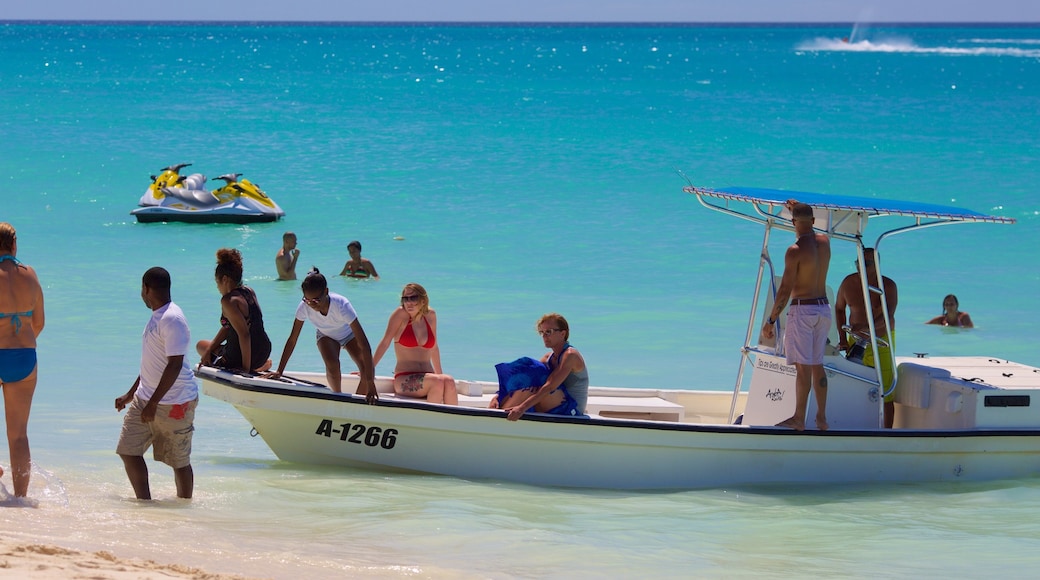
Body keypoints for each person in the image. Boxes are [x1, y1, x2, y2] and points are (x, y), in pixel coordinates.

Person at [115, 267, 199, 500]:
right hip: (146, 398)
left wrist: (154, 403)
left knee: (179, 461)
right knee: (128, 451)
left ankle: (184, 507)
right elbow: (152, 363)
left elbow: (174, 365)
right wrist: (131, 394)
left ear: (146, 289)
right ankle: (145, 503)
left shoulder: (172, 319)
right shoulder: (158, 316)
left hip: (175, 402)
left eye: (142, 289)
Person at [761, 200, 832, 431]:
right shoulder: (825, 243)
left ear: (792, 223)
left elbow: (785, 289)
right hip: (823, 309)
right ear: (813, 221)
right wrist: (798, 209)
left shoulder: (794, 251)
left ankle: (799, 418)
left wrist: (771, 320)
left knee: (802, 367)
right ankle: (821, 418)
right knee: (817, 365)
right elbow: (808, 227)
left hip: (803, 310)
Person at [266, 268, 378, 402]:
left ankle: (359, 402)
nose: (312, 304)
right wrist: (279, 371)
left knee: (367, 368)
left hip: (348, 335)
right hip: (326, 335)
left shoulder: (342, 305)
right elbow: (292, 340)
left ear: (326, 291)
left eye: (316, 300)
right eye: (307, 300)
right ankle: (338, 398)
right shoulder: (304, 307)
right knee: (332, 365)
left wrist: (371, 384)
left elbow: (364, 345)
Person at [0, 223, 45, 498]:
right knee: (18, 435)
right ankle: (20, 499)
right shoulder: (31, 275)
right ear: (14, 244)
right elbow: (38, 323)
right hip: (25, 357)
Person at [835, 248, 898, 428]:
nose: (861, 266)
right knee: (854, 386)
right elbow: (839, 308)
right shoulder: (848, 283)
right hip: (855, 341)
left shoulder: (888, 286)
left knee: (886, 392)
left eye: (867, 263)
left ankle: (886, 434)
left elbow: (888, 316)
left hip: (882, 340)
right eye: (858, 262)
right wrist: (842, 338)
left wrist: (865, 328)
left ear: (877, 265)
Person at [372, 283, 458, 405]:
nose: (409, 303)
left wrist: (440, 374)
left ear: (423, 301)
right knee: (437, 382)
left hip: (428, 377)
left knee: (448, 381)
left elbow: (434, 347)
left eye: (413, 298)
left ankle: (451, 422)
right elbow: (385, 342)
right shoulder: (400, 314)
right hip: (404, 378)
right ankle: (429, 422)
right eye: (405, 299)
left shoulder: (431, 315)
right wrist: (369, 369)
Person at [493, 313, 589, 420]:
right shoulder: (548, 358)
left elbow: (550, 387)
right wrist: (498, 396)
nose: (544, 336)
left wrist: (522, 408)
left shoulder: (571, 355)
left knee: (533, 387)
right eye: (542, 332)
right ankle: (497, 413)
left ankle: (498, 419)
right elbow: (529, 379)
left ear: (563, 333)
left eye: (549, 331)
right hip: (555, 403)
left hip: (573, 410)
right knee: (528, 370)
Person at [196, 248, 273, 373]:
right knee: (203, 346)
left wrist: (245, 369)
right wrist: (210, 349)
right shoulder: (249, 291)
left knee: (201, 348)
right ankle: (261, 364)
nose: (217, 287)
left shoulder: (228, 301)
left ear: (225, 280)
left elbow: (244, 334)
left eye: (217, 283)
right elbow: (231, 327)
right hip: (264, 350)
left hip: (240, 356)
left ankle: (253, 366)